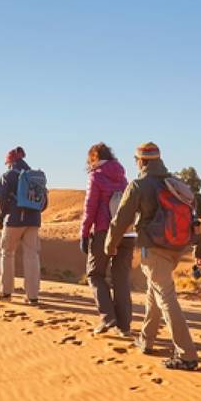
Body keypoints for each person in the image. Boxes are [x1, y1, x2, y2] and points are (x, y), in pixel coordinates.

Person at [107, 142, 201, 371]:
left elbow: (121, 219)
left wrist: (109, 246)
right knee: (155, 290)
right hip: (177, 249)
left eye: (136, 160)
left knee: (165, 297)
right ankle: (147, 339)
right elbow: (195, 222)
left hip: (153, 249)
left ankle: (186, 354)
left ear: (142, 161)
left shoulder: (139, 185)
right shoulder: (177, 184)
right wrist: (199, 251)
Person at [80, 143, 132, 337]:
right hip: (127, 233)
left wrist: (84, 234)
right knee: (121, 279)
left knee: (94, 274)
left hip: (104, 231)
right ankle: (124, 326)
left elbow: (90, 208)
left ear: (93, 157)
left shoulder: (96, 176)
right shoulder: (123, 177)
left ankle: (108, 316)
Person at [0, 146, 45, 303]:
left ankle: (5, 292)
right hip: (33, 221)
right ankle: (33, 296)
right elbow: (44, 202)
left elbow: (1, 198)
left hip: (14, 220)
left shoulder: (8, 175)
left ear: (10, 162)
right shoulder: (36, 177)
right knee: (32, 256)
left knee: (7, 253)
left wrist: (2, 216)